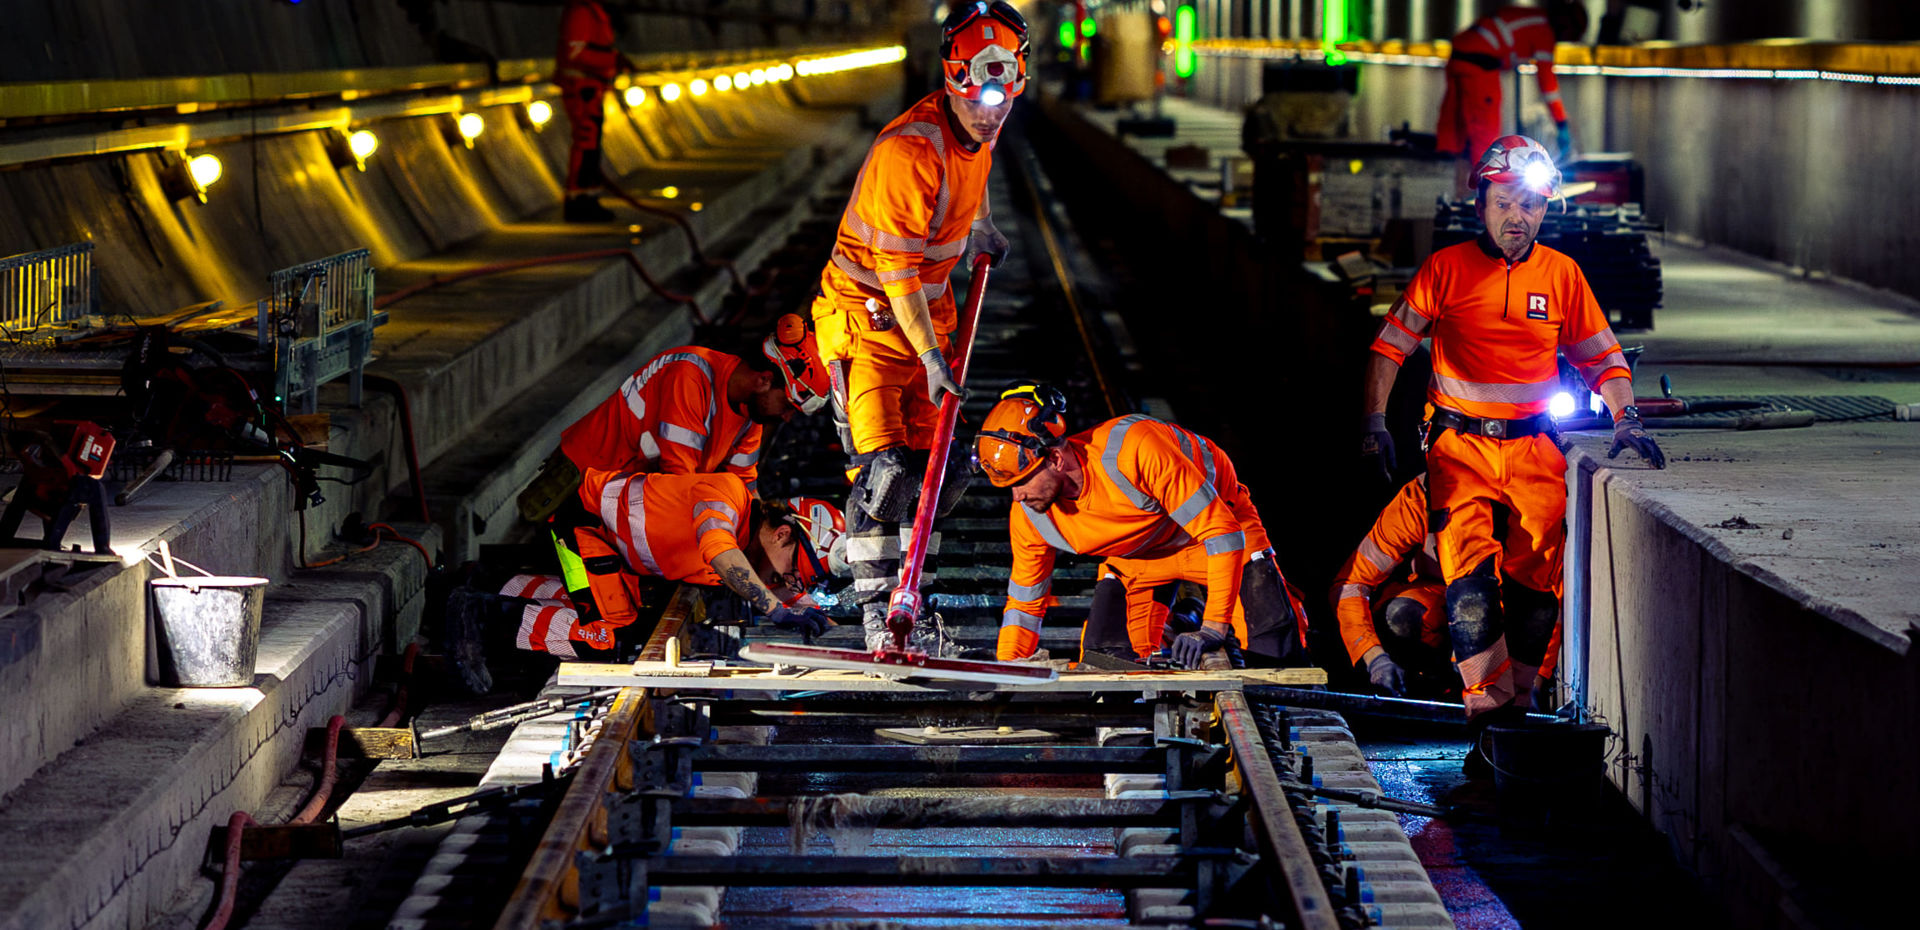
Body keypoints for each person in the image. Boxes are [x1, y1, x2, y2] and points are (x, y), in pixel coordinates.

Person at [1360, 135, 1662, 744]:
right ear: (1481, 204)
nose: (1517, 216)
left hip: (1533, 450)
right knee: (1469, 592)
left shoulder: (1562, 275)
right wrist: (1374, 422)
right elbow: (1390, 348)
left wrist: (1625, 416)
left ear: (1545, 209)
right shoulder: (1444, 270)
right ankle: (1486, 720)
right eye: (1504, 202)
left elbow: (1602, 358)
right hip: (1459, 451)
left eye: (1530, 204)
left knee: (1535, 596)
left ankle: (1516, 715)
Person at [808, 1, 1026, 651]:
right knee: (887, 474)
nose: (991, 116)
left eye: (1001, 103)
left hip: (925, 319)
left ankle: (913, 603)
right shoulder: (909, 152)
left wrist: (982, 225)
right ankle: (879, 612)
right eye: (979, 101)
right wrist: (934, 360)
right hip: (867, 321)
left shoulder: (980, 125)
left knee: (940, 473)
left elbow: (975, 168)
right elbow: (897, 273)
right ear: (953, 81)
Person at [978, 384, 1310, 668]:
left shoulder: (1134, 448)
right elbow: (1024, 604)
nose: (1017, 496)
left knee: (1274, 648)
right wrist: (1007, 669)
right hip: (1139, 560)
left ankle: (1191, 617)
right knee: (1106, 660)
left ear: (1054, 459)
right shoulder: (1029, 514)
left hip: (1218, 534)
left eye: (1022, 481)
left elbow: (1221, 532)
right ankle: (1183, 619)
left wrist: (1212, 629)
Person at [446, 473, 843, 693]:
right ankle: (480, 617)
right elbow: (723, 556)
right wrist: (774, 609)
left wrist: (825, 627)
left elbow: (782, 592)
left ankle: (489, 586)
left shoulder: (751, 542)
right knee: (609, 636)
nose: (786, 583)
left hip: (609, 543)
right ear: (782, 535)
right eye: (792, 572)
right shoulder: (727, 500)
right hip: (586, 525)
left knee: (600, 605)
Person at [1435, 1, 1588, 180]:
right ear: (1567, 25)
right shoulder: (1544, 30)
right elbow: (1547, 84)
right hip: (1480, 63)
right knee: (1485, 132)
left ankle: (1445, 178)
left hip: (1459, 55)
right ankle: (1484, 187)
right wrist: (1561, 123)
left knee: (1455, 125)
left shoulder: (1532, 17)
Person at [555, 0, 641, 221]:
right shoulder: (582, 12)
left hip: (591, 88)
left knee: (591, 148)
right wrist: (613, 60)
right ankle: (578, 202)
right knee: (586, 145)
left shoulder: (593, 12)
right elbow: (576, 53)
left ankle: (588, 198)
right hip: (581, 88)